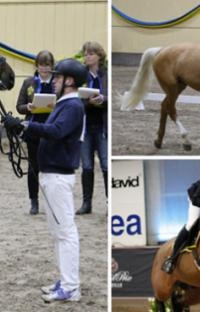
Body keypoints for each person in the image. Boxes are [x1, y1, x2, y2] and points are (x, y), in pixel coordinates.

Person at [2, 58, 87, 302]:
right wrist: (21, 128)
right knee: (59, 232)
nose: (54, 81)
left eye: (58, 78)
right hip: (51, 174)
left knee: (66, 232)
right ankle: (65, 280)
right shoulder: (65, 104)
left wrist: (26, 124)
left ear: (69, 81)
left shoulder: (72, 106)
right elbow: (50, 132)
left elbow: (57, 131)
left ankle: (71, 287)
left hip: (58, 175)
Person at [15, 50, 55, 215]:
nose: (44, 69)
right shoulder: (29, 82)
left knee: (51, 166)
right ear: (36, 66)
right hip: (33, 127)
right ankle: (34, 201)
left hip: (52, 127)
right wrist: (28, 108)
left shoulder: (56, 83)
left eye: (47, 65)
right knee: (33, 166)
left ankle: (51, 200)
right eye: (41, 65)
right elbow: (19, 106)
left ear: (52, 66)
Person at [76, 41, 108, 215]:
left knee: (105, 165)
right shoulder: (81, 76)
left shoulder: (106, 75)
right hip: (86, 127)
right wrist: (88, 102)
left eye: (91, 54)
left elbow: (111, 95)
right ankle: (86, 203)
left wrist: (103, 99)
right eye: (86, 54)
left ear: (99, 56)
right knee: (87, 166)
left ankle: (109, 202)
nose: (87, 56)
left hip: (102, 127)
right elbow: (75, 98)